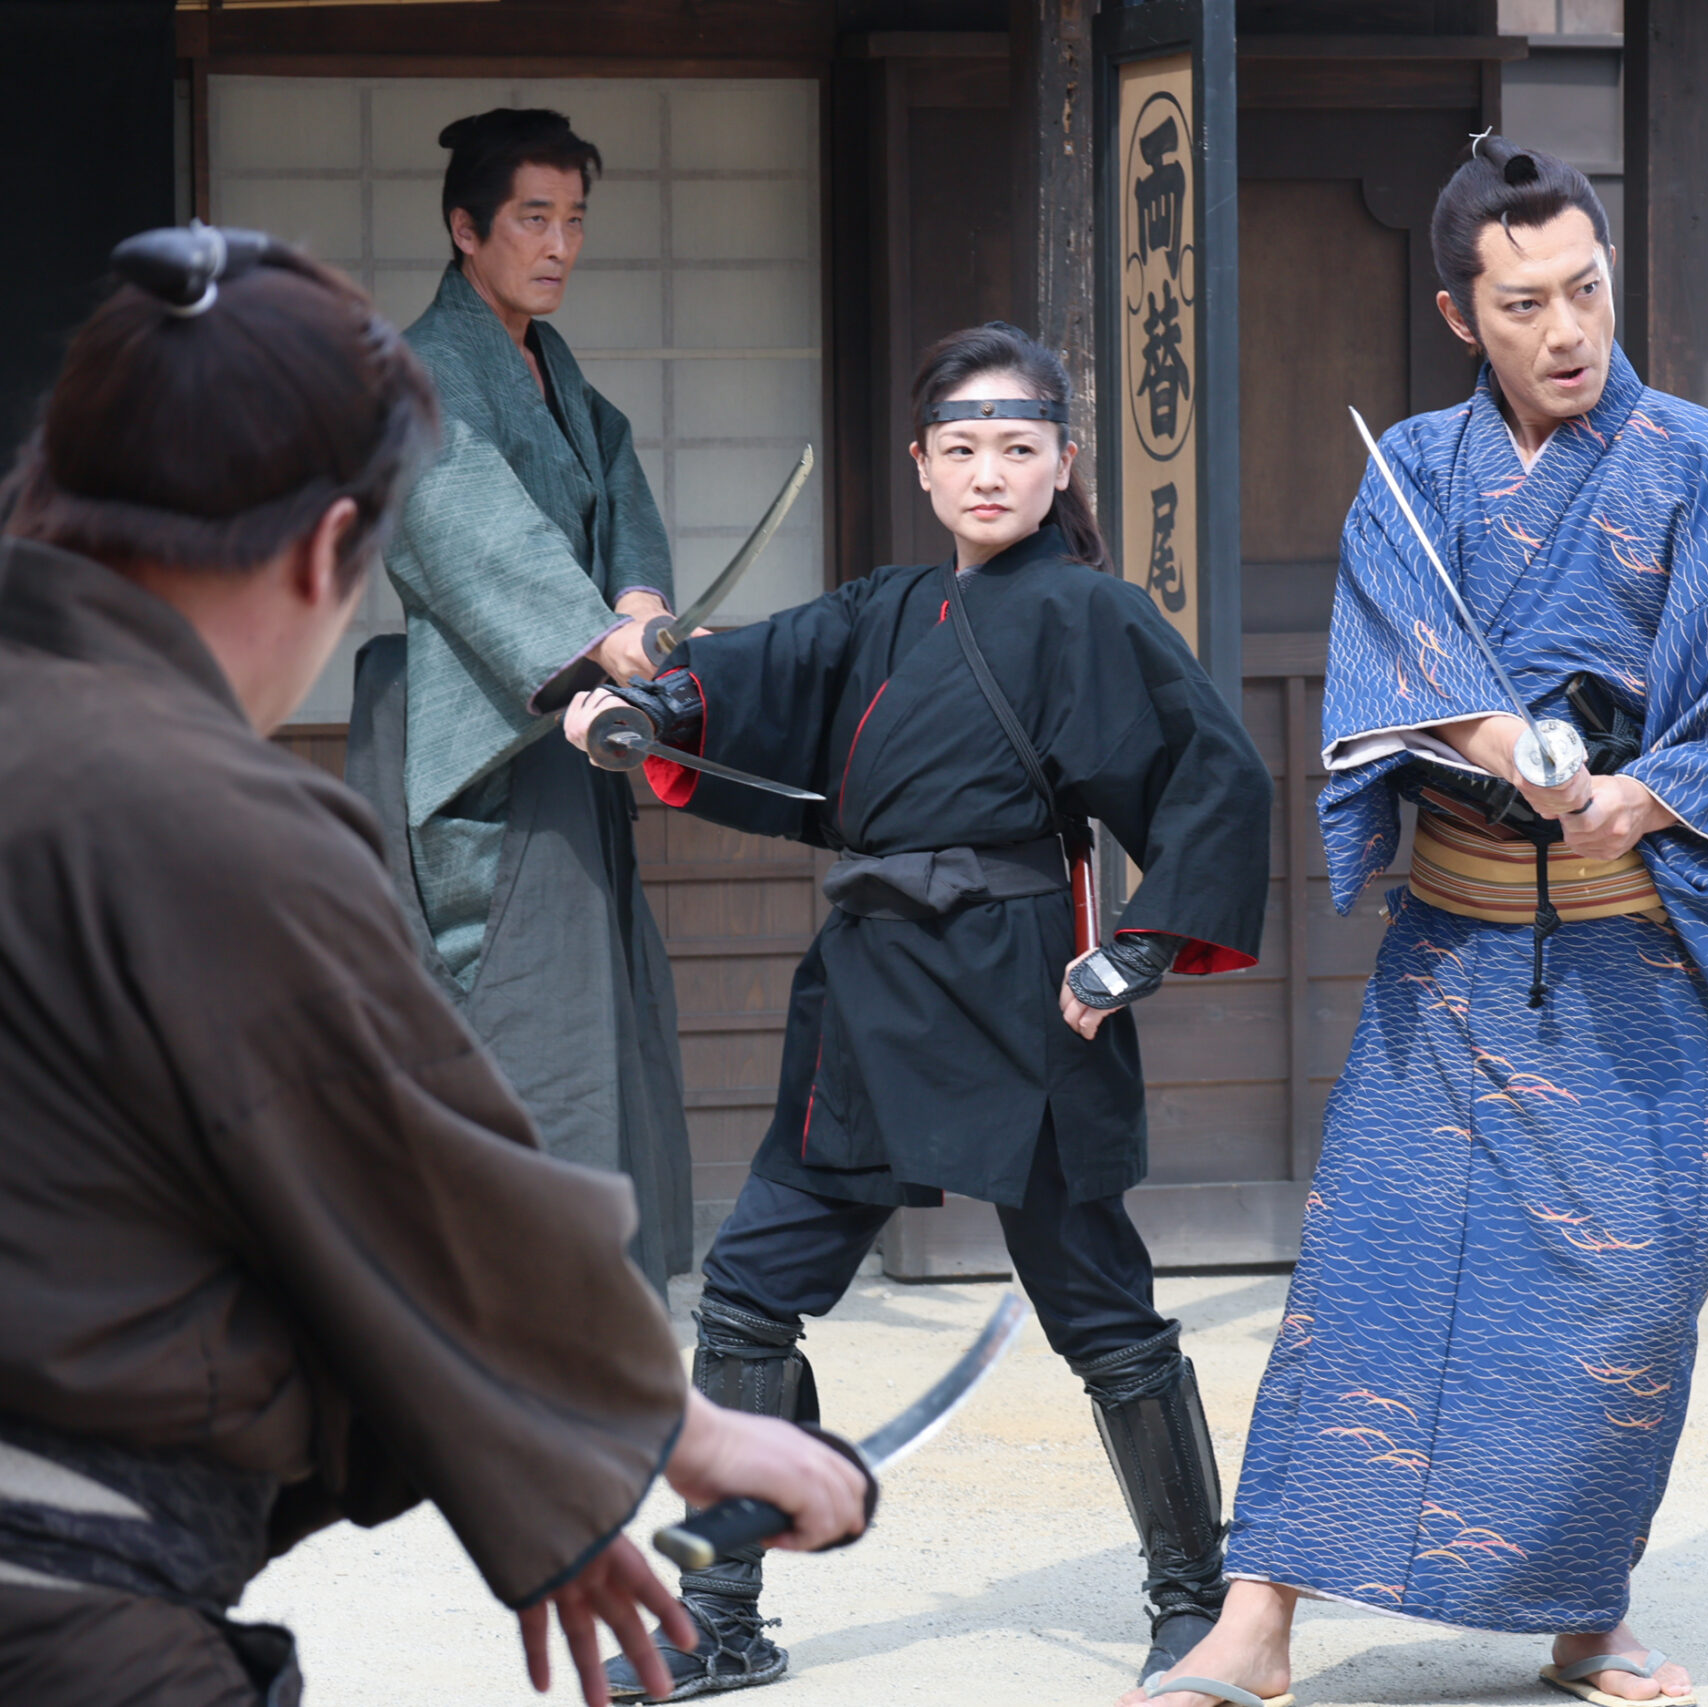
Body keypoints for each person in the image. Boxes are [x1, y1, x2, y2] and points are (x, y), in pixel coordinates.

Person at [0, 224, 872, 1707]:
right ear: (331, 548)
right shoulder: (200, 812)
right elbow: (422, 1193)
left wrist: (541, 1489)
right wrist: (674, 1427)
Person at [1139, 138, 1708, 1707]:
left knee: (1633, 1288)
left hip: (1633, 951)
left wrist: (1644, 797)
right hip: (1455, 952)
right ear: (1463, 313)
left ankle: (1586, 1608)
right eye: (1525, 304)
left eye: (1587, 289)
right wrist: (1504, 745)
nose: (1568, 329)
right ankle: (1258, 1616)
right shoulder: (1415, 469)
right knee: (1370, 1269)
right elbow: (1398, 667)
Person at [561, 321, 1273, 1697]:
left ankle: (1195, 1603)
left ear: (1061, 462)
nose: (988, 471)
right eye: (962, 448)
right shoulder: (884, 609)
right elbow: (754, 674)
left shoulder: (1094, 613)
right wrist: (646, 706)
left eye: (1016, 446)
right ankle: (721, 1617)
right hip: (872, 992)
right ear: (923, 465)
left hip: (1024, 994)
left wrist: (1132, 953)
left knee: (1103, 1313)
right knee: (749, 1293)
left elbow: (1215, 773)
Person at [342, 107, 692, 1291]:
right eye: (533, 218)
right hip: (478, 733)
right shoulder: (419, 377)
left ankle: (584, 1289)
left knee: (589, 1013)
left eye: (574, 221)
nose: (558, 245)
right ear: (467, 229)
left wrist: (637, 601)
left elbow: (619, 483)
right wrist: (598, 638)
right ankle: (490, 1297)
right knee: (504, 1006)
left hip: (569, 724)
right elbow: (469, 525)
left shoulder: (553, 370)